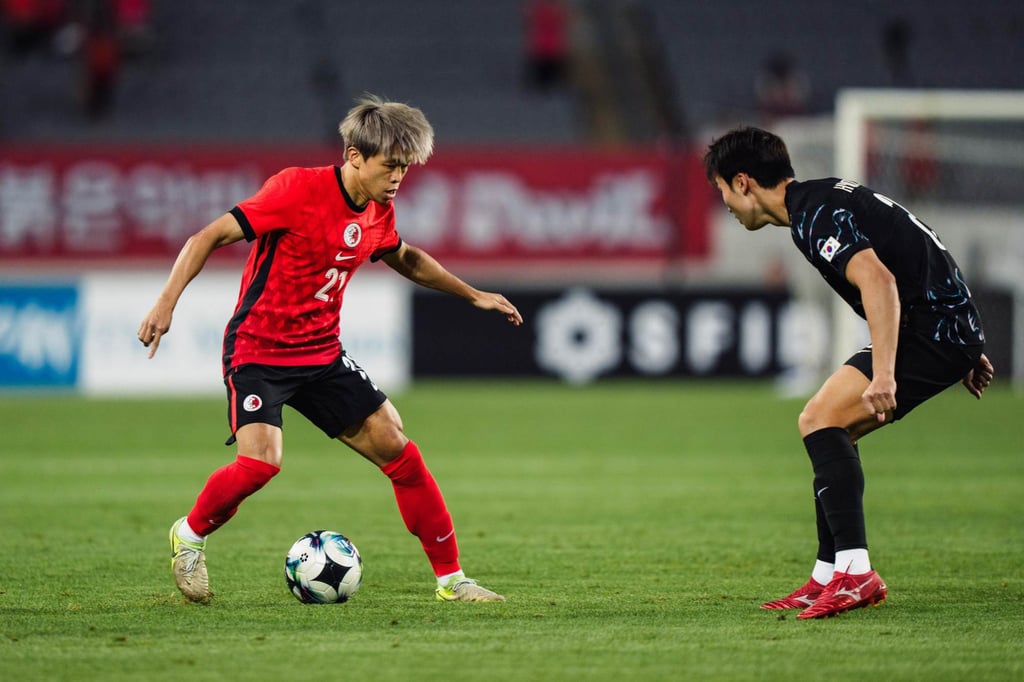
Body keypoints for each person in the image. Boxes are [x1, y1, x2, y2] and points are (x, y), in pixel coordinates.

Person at [138, 95, 522, 604]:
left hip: (321, 354)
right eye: (391, 166)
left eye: (406, 168)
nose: (399, 178)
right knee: (262, 463)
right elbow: (207, 235)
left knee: (398, 449)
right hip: (259, 349)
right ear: (354, 155)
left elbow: (403, 256)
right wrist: (166, 302)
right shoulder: (296, 189)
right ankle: (188, 535)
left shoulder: (379, 209)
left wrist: (472, 293)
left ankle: (452, 581)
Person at [702, 127, 993, 619]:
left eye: (723, 191)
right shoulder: (821, 201)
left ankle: (855, 573)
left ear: (744, 182)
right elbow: (919, 244)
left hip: (932, 331)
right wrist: (965, 336)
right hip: (942, 328)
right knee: (832, 425)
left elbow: (878, 279)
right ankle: (827, 575)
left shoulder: (815, 215)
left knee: (820, 419)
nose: (726, 204)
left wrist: (885, 374)